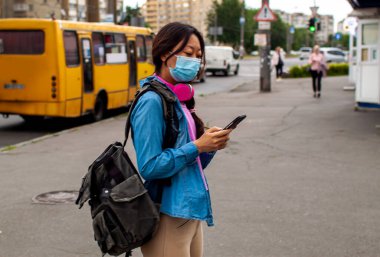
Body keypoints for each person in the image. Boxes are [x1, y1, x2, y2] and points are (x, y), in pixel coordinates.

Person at [130, 22, 232, 257]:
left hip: (189, 212)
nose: (195, 61)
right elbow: (150, 166)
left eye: (198, 55)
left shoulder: (179, 98)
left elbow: (191, 163)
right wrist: (197, 146)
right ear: (165, 53)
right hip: (168, 213)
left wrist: (209, 145)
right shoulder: (151, 101)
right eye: (188, 54)